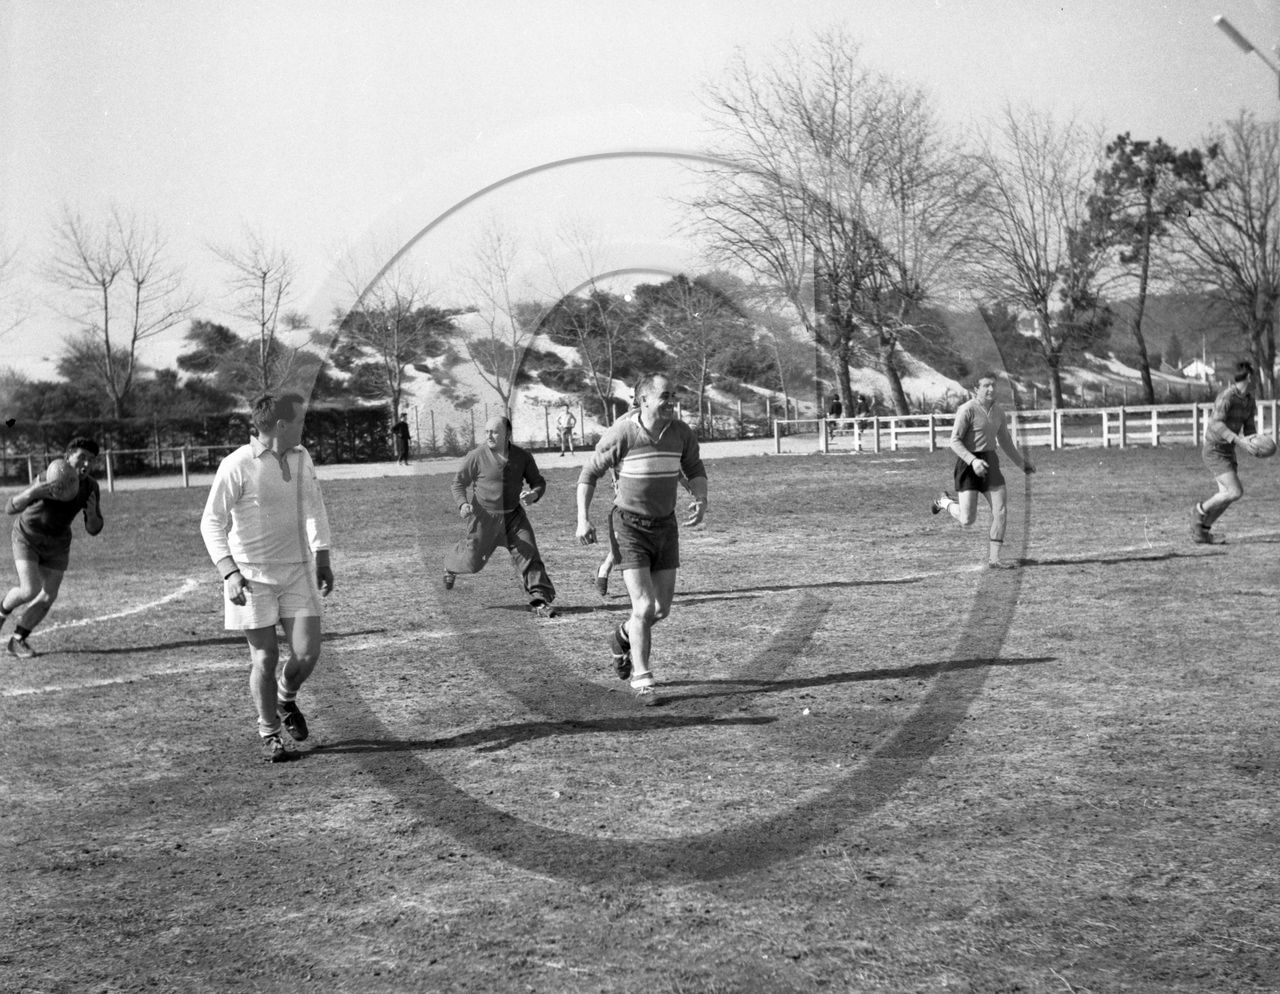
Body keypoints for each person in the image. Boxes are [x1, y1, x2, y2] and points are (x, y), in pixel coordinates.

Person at [199, 393, 334, 764]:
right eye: (300, 421)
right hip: (251, 577)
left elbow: (314, 506)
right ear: (280, 426)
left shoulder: (302, 456)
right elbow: (211, 521)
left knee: (307, 652)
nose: (304, 427)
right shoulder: (237, 464)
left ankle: (285, 698)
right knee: (265, 655)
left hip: (298, 571)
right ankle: (269, 731)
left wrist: (321, 556)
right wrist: (229, 572)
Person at [577, 373, 708, 701]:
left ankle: (620, 637)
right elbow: (589, 472)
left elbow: (695, 469)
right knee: (645, 605)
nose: (671, 401)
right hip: (629, 527)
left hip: (666, 526)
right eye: (665, 395)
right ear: (644, 400)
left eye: (673, 395)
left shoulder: (680, 433)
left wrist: (701, 499)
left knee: (661, 610)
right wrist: (583, 519)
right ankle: (642, 677)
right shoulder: (623, 432)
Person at [444, 415, 558, 617]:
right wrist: (462, 504)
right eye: (486, 431)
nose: (489, 435)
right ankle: (450, 564)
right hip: (483, 518)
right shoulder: (476, 456)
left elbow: (538, 482)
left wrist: (534, 494)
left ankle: (539, 598)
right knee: (472, 564)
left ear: (507, 434)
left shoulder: (523, 456)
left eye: (494, 431)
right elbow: (458, 483)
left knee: (529, 553)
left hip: (514, 517)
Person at [0, 437, 104, 658]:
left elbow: (93, 529)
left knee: (48, 595)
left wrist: (93, 514)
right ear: (67, 458)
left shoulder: (91, 487)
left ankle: (17, 640)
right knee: (29, 589)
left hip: (58, 542)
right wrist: (32, 493)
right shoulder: (50, 477)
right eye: (81, 457)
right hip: (28, 536)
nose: (86, 464)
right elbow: (10, 508)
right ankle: (1, 613)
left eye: (91, 460)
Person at [930, 372, 1035, 569]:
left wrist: (1022, 463)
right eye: (986, 385)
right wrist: (972, 461)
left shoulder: (999, 412)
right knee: (967, 519)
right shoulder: (967, 410)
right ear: (975, 390)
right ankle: (944, 502)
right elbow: (954, 441)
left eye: (993, 385)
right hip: (968, 465)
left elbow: (1005, 442)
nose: (991, 389)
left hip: (990, 463)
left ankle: (994, 559)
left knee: (1001, 511)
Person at [1192, 360, 1261, 544]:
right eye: (1255, 375)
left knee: (1227, 495)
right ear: (1249, 376)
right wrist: (1238, 440)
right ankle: (1199, 510)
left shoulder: (1249, 400)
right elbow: (1215, 424)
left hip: (1228, 450)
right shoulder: (1227, 396)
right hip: (1214, 449)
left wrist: (1257, 444)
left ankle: (1202, 532)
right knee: (1235, 491)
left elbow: (1249, 429)